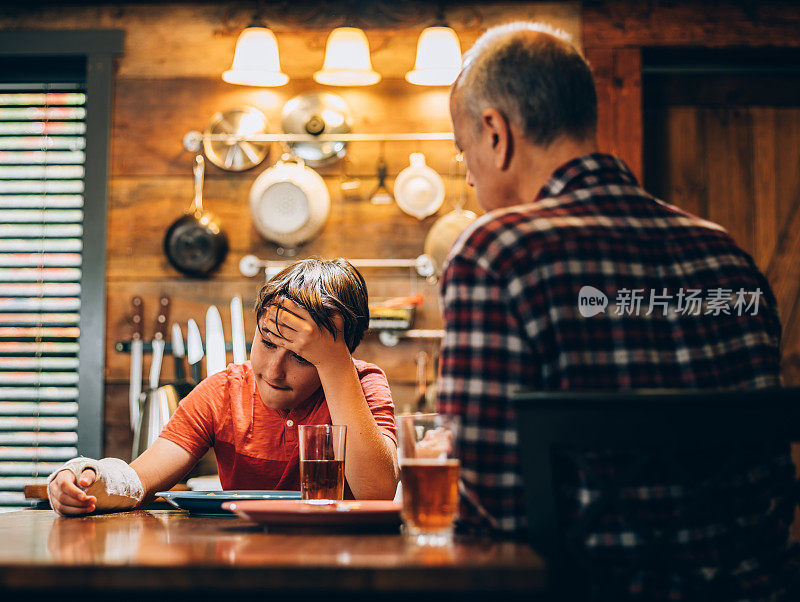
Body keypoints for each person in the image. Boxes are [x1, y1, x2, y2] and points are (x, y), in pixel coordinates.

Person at [439, 21, 794, 599]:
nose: (471, 173)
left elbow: (489, 513)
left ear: (495, 133)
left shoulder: (496, 254)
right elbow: (771, 485)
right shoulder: (727, 254)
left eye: (464, 152)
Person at [49, 258, 398, 515]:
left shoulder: (362, 383)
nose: (274, 370)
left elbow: (379, 491)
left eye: (304, 357)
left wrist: (335, 364)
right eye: (268, 341)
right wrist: (86, 476)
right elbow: (138, 480)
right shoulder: (224, 392)